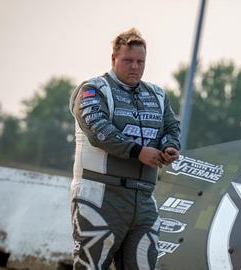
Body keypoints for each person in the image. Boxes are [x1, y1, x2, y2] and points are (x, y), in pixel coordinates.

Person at [69, 28, 180, 270]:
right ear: (113, 59)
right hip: (100, 195)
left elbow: (172, 127)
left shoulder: (158, 95)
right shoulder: (93, 90)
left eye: (140, 61)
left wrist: (170, 147)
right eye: (128, 60)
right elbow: (99, 131)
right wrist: (138, 152)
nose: (135, 67)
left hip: (144, 199)